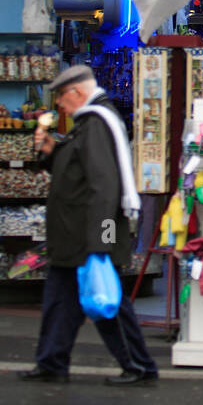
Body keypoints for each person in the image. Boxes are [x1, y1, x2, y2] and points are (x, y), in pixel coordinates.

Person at [21, 66, 159, 385]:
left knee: (108, 304)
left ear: (77, 93)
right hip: (73, 236)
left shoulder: (96, 123)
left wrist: (102, 242)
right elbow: (76, 172)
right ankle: (52, 362)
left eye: (61, 97)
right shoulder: (87, 124)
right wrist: (50, 152)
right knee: (61, 302)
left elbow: (104, 185)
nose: (58, 105)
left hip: (88, 236)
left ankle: (139, 366)